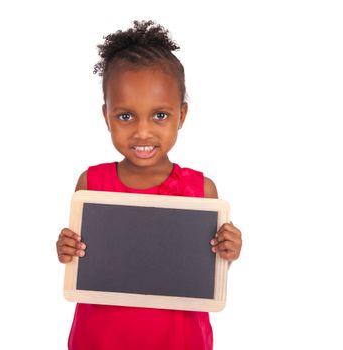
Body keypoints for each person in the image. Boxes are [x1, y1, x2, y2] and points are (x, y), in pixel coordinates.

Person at [56, 20, 243, 350]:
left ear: (181, 116)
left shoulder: (202, 190)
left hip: (178, 340)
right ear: (106, 116)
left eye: (160, 115)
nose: (143, 132)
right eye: (126, 116)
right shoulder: (91, 183)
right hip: (101, 338)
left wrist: (230, 250)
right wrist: (66, 249)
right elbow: (81, 259)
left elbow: (211, 265)